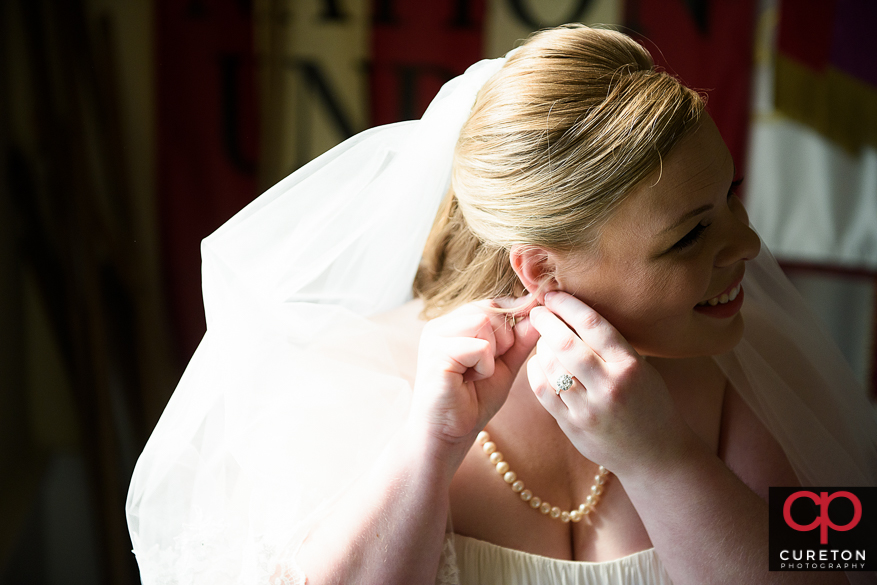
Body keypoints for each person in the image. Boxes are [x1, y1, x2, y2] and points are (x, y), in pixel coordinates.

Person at [126, 25, 877, 585]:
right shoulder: (348, 379)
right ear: (538, 269)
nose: (745, 245)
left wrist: (663, 457)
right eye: (689, 235)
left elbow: (839, 559)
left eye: (728, 199)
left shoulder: (732, 362)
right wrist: (430, 446)